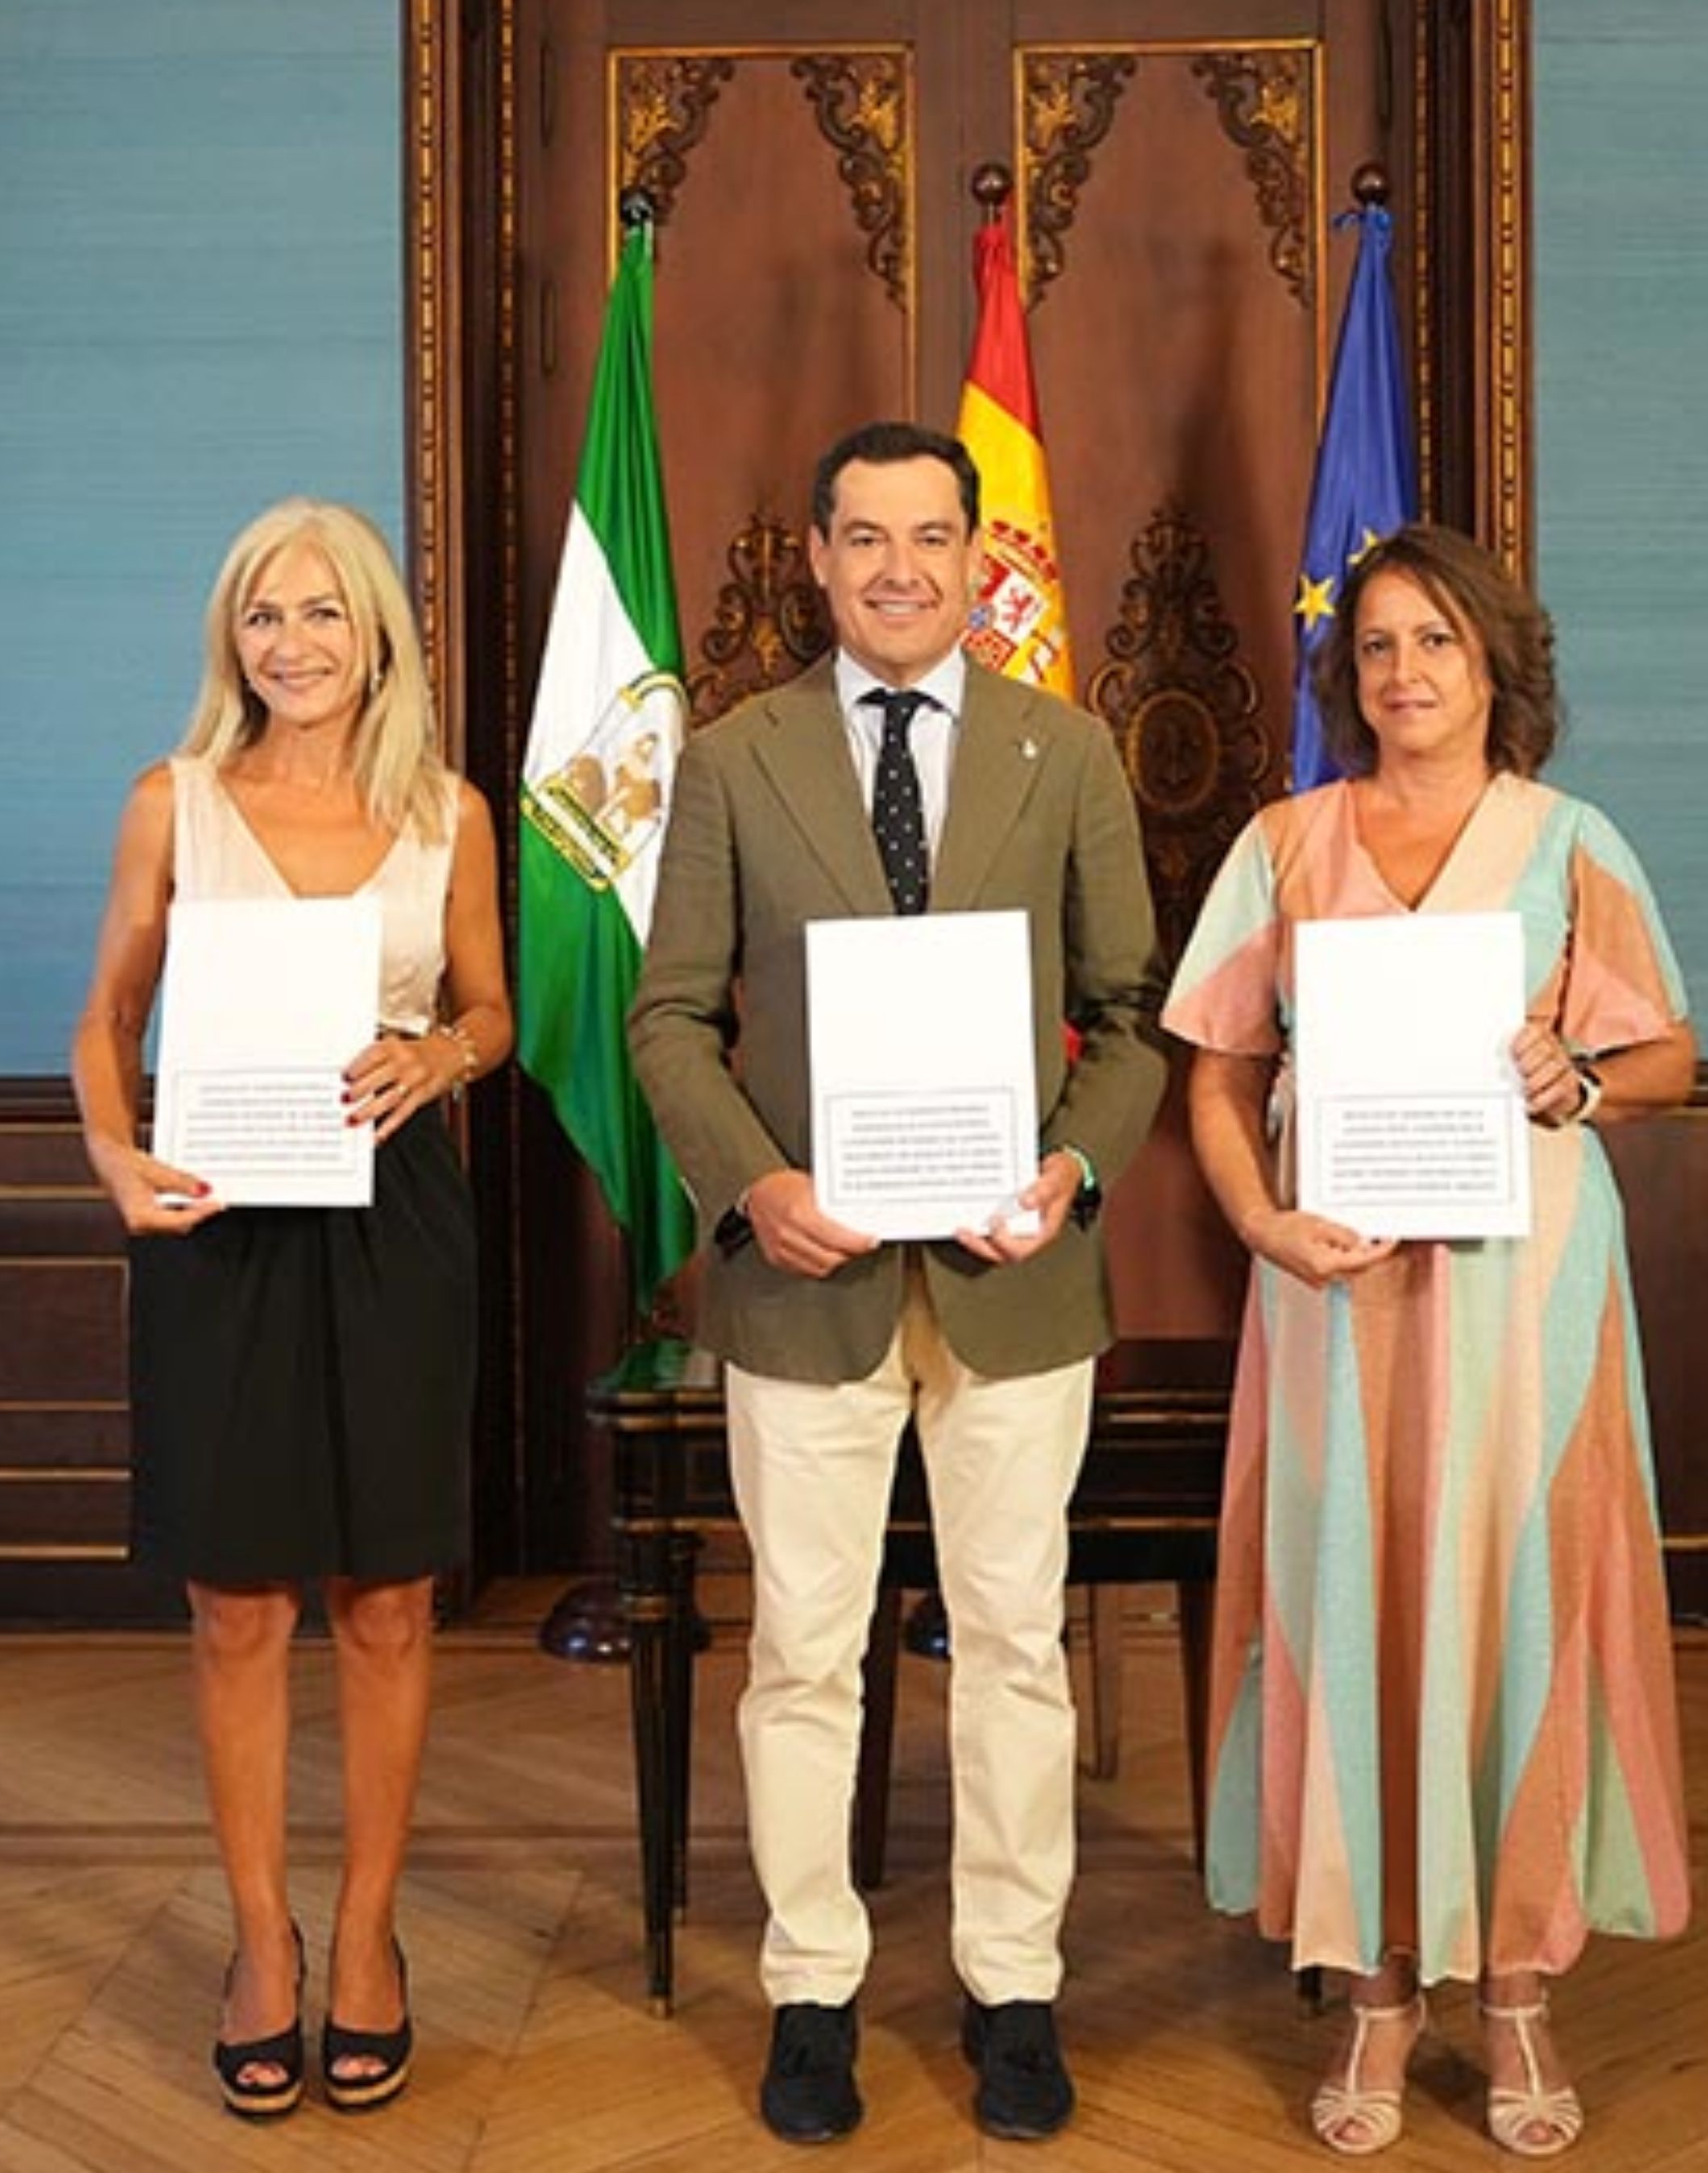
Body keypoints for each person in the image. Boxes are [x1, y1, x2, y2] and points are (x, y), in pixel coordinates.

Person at [628, 420, 1167, 2144]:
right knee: (807, 1649)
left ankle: (1015, 1987)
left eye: (932, 538)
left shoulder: (1064, 749)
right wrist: (754, 1189)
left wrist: (1076, 1166)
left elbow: (1136, 1014)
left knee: (1014, 1644)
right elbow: (667, 1019)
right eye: (864, 539)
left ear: (974, 554)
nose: (899, 571)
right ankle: (814, 1993)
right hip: (808, 1283)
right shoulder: (733, 759)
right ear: (814, 556)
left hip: (1015, 1282)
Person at [1163, 523, 1696, 2158]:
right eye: (1381, 645)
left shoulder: (1569, 842)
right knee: (1358, 1607)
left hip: (1524, 1295)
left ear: (1497, 668)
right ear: (1353, 673)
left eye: (1439, 644)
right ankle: (1380, 1982)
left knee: (1516, 1602)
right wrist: (1262, 1226)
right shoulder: (1282, 844)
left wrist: (1582, 1083)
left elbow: (1668, 1055)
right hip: (1332, 1289)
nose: (1406, 673)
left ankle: (1519, 1980)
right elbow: (1213, 1073)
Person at [69, 498, 506, 2121]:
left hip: (397, 1216)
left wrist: (442, 1056)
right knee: (239, 1602)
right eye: (265, 615)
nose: (294, 643)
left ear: (376, 633)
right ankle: (263, 1943)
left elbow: (493, 1008)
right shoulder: (170, 805)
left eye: (324, 613)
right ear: (231, 640)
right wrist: (117, 1156)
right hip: (217, 1219)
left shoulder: (449, 811)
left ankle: (373, 1941)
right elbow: (107, 1023)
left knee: (390, 1599)